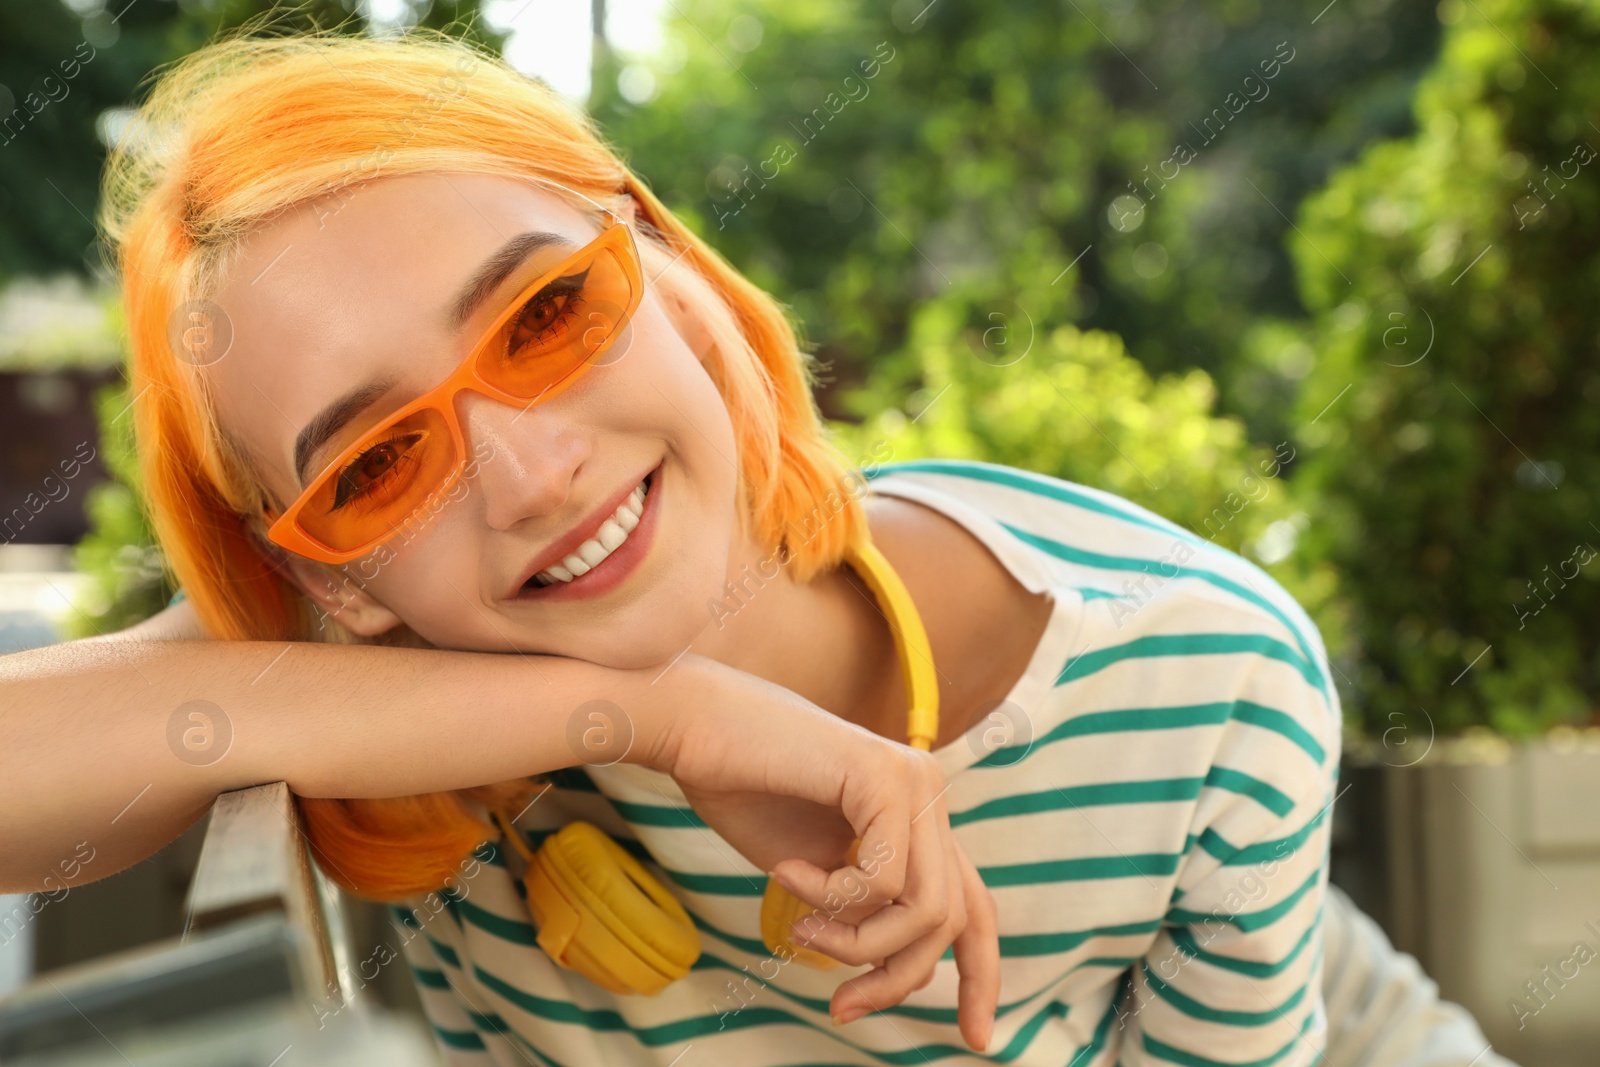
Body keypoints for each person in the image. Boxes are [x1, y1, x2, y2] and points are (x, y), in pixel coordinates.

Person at [0, 23, 1512, 1067]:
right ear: (329, 575)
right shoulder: (416, 664)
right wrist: (658, 714)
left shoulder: (1195, 670)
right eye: (380, 459)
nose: (528, 475)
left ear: (674, 268)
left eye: (546, 314)